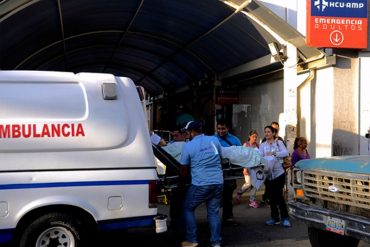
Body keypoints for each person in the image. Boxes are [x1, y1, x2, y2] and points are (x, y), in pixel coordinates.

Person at [180, 121, 223, 247]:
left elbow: (183, 168)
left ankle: (192, 239)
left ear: (192, 132)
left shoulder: (188, 146)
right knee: (213, 213)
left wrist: (181, 184)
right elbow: (220, 157)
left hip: (201, 184)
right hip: (218, 182)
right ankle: (216, 242)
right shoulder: (214, 140)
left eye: (187, 132)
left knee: (187, 208)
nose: (187, 134)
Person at [259, 125, 291, 227]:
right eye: (265, 132)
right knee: (271, 197)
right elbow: (259, 156)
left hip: (279, 173)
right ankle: (275, 218)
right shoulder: (263, 145)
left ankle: (285, 218)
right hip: (268, 175)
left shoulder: (279, 142)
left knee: (279, 196)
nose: (267, 133)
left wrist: (273, 153)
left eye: (269, 131)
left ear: (273, 133)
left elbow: (285, 152)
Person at [214, 120, 241, 224]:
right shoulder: (213, 139)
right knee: (215, 195)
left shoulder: (235, 140)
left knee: (228, 195)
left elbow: (240, 154)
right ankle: (213, 218)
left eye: (223, 128)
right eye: (219, 128)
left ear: (227, 128)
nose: (221, 131)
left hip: (230, 171)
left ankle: (228, 217)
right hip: (215, 171)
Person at [236, 130, 260, 208]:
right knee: (248, 183)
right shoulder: (246, 145)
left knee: (254, 185)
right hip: (248, 167)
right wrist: (245, 168)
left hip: (256, 168)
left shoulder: (257, 145)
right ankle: (239, 193)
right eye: (253, 136)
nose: (255, 138)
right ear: (250, 136)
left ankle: (252, 200)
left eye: (256, 137)